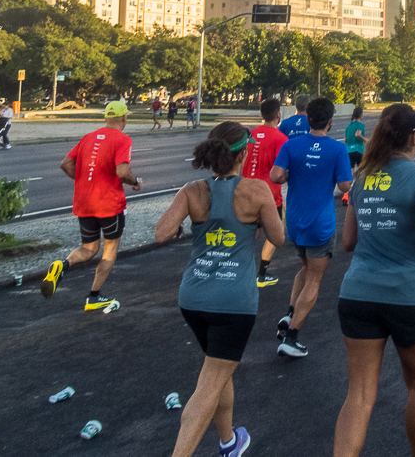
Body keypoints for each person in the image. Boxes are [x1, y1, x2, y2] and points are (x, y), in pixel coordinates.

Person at [333, 104, 415, 457]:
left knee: (358, 395)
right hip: (410, 296)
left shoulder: (363, 177)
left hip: (358, 293)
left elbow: (348, 242)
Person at [156, 122, 285, 457]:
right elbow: (279, 238)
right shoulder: (256, 191)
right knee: (210, 383)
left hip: (194, 298)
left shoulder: (193, 190)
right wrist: (256, 219)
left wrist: (195, 220)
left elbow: (161, 233)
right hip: (234, 303)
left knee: (218, 371)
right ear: (243, 154)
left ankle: (229, 442)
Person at [39, 100, 142, 310]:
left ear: (106, 118)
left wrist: (82, 181)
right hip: (109, 204)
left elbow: (65, 164)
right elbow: (122, 172)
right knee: (109, 250)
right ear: (123, 118)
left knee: (89, 248)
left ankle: (62, 265)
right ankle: (93, 297)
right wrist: (136, 182)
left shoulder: (88, 137)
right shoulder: (123, 140)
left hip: (84, 202)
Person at [270, 97, 353, 358]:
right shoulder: (337, 149)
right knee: (314, 279)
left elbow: (275, 176)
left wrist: (290, 173)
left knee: (305, 268)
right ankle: (292, 337)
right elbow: (345, 186)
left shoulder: (291, 144)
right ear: (330, 121)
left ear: (307, 119)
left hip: (295, 220)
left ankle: (289, 314)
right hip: (320, 223)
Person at [245, 98, 288, 287]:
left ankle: (240, 269)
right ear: (278, 114)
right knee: (275, 235)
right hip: (269, 194)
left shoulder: (251, 135)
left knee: (249, 233)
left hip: (246, 192)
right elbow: (281, 170)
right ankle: (261, 275)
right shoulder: (280, 139)